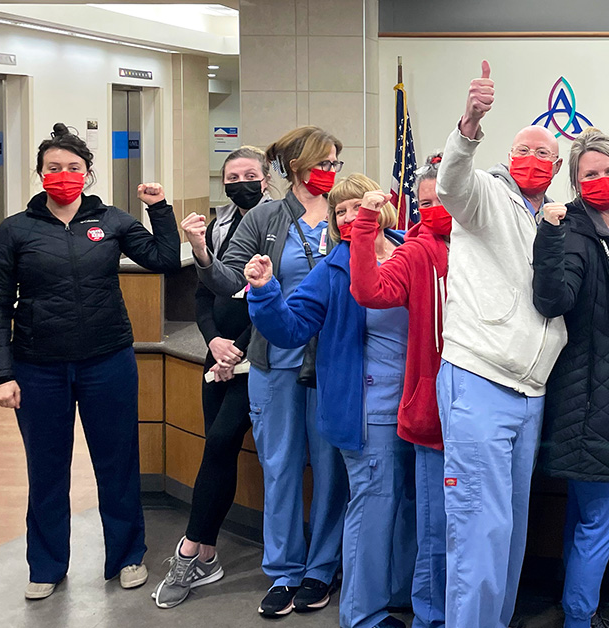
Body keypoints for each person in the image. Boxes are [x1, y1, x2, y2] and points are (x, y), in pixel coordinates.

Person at [0, 122, 181, 600]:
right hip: (38, 365)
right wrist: (1, 373)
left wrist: (159, 209)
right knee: (47, 469)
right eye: (54, 168)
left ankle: (128, 556)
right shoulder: (15, 230)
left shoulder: (112, 221)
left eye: (73, 168)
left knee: (118, 462)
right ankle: (47, 565)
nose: (64, 175)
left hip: (107, 360)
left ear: (87, 174)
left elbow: (164, 258)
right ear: (39, 173)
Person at [184, 126, 350, 618]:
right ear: (296, 166)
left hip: (333, 363)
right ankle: (283, 570)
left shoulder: (349, 208)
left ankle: (322, 568)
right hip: (275, 361)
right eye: (324, 161)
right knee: (278, 465)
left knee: (329, 467)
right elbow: (228, 278)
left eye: (336, 163)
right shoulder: (266, 216)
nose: (331, 171)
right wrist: (200, 251)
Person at [245, 174, 414, 628]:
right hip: (366, 412)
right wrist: (264, 292)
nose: (347, 216)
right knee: (373, 508)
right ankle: (363, 615)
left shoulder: (409, 251)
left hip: (416, 408)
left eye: (356, 205)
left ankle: (397, 595)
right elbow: (292, 327)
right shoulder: (335, 267)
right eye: (339, 211)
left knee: (407, 508)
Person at [435, 59, 568, 628]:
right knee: (478, 531)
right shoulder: (486, 194)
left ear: (557, 166)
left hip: (530, 392)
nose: (533, 160)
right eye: (525, 150)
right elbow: (451, 185)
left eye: (544, 153)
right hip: (481, 380)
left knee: (509, 531)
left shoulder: (554, 220)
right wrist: (468, 126)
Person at [153, 146, 272, 608]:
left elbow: (265, 294)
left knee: (222, 442)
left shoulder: (276, 222)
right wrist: (212, 343)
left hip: (253, 355)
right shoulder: (218, 224)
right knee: (216, 450)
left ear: (266, 180)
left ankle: (188, 549)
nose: (240, 181)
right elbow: (206, 291)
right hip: (217, 354)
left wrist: (236, 349)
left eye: (249, 174)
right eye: (231, 174)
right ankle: (207, 554)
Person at [532, 127, 609, 628]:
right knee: (600, 516)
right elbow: (555, 300)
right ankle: (579, 617)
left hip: (604, 391)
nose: (602, 180)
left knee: (583, 512)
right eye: (589, 174)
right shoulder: (573, 230)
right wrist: (549, 238)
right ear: (574, 182)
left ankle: (577, 610)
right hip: (591, 395)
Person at [348, 154, 452, 628]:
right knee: (435, 526)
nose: (434, 210)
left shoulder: (483, 243)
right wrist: (367, 224)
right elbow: (369, 291)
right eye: (425, 202)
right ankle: (431, 617)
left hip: (486, 401)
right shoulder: (416, 249)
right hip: (432, 407)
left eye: (443, 200)